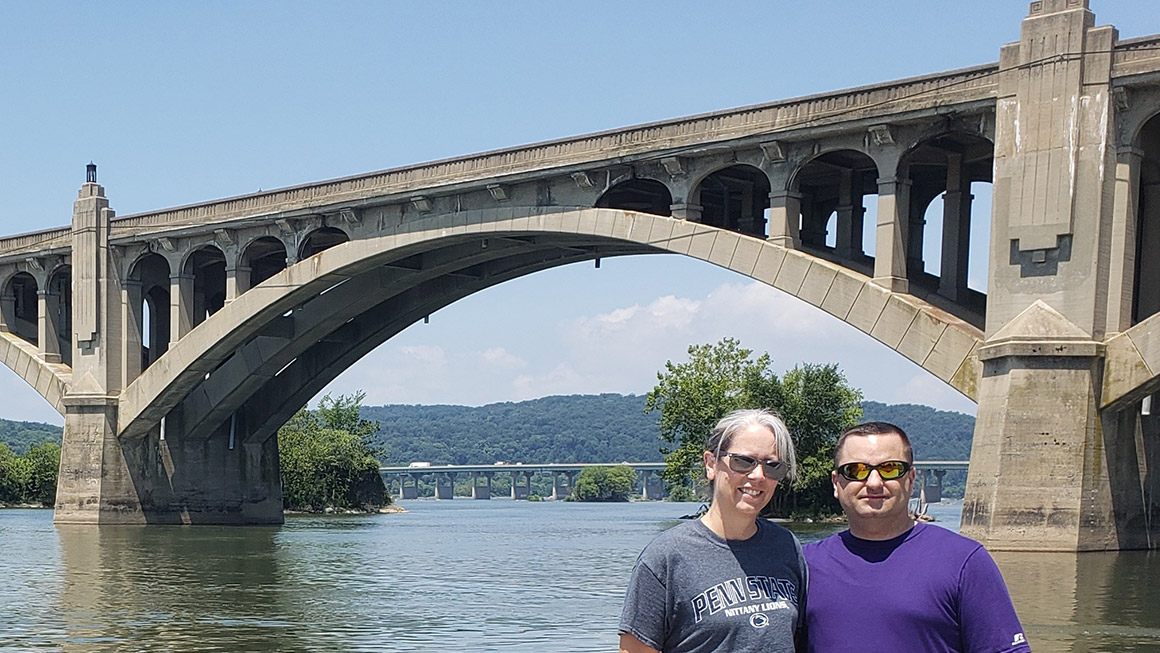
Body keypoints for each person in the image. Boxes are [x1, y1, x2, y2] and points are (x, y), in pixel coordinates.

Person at [804, 421, 1031, 652]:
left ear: (911, 479)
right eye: (856, 471)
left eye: (890, 469)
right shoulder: (803, 565)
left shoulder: (965, 562)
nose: (873, 482)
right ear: (836, 483)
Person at [619, 408, 807, 653]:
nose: (758, 475)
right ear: (711, 464)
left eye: (772, 466)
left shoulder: (786, 547)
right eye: (744, 461)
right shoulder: (665, 558)